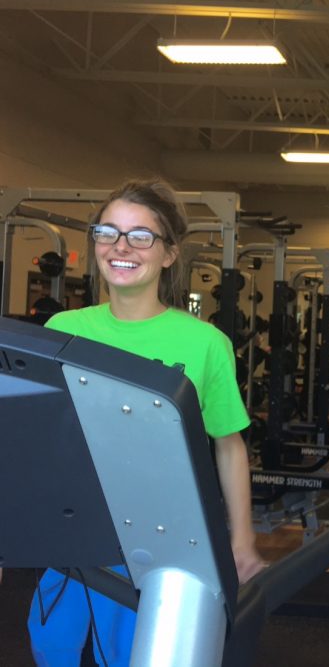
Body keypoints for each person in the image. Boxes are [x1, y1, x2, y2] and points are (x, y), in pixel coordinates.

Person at [27, 179, 266, 666]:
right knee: (50, 642)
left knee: (129, 651)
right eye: (108, 232)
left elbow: (229, 445)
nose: (121, 247)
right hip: (78, 524)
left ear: (169, 254)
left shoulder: (204, 343)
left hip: (162, 532)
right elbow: (39, 442)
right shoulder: (64, 331)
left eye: (140, 236)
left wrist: (241, 540)